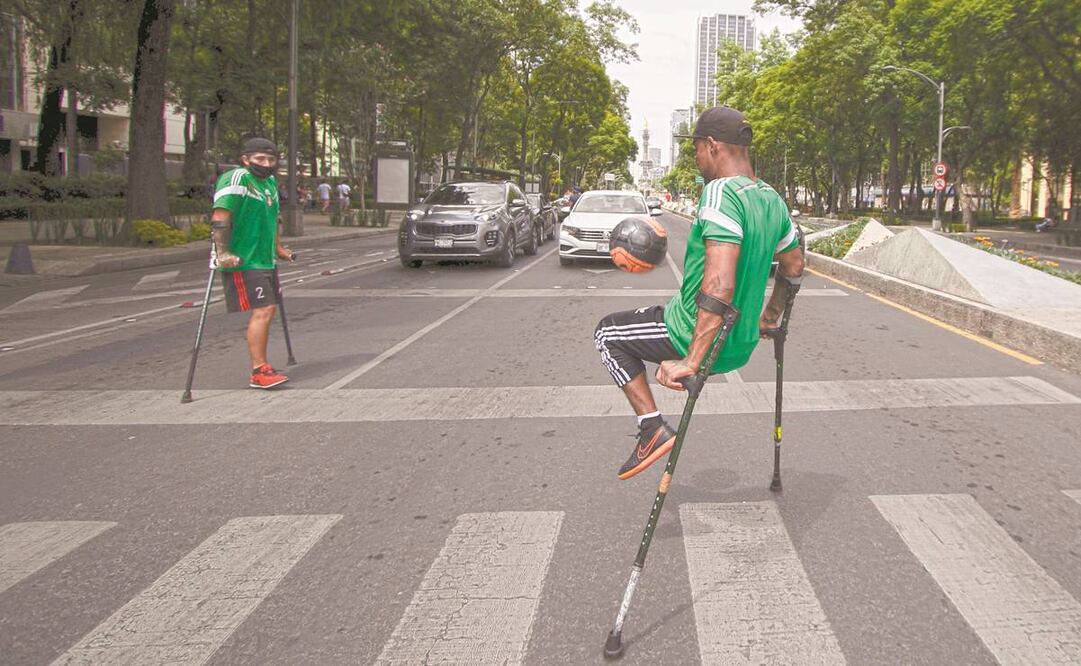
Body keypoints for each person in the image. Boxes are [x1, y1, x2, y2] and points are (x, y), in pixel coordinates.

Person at [594, 106, 805, 480]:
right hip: (740, 345)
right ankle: (654, 424)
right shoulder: (771, 198)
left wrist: (692, 359)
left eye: (695, 150)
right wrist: (770, 318)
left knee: (608, 333)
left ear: (712, 146)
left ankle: (651, 429)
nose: (695, 159)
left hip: (694, 334)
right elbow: (794, 266)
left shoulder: (719, 193)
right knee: (643, 320)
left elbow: (720, 284)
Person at [210, 137, 296, 389]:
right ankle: (259, 370)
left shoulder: (269, 182)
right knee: (265, 309)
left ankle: (262, 367)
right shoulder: (237, 178)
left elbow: (273, 218)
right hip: (244, 258)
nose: (266, 164)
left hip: (264, 258)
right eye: (260, 159)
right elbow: (220, 215)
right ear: (245, 159)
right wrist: (222, 252)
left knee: (269, 309)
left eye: (271, 159)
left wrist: (278, 248)